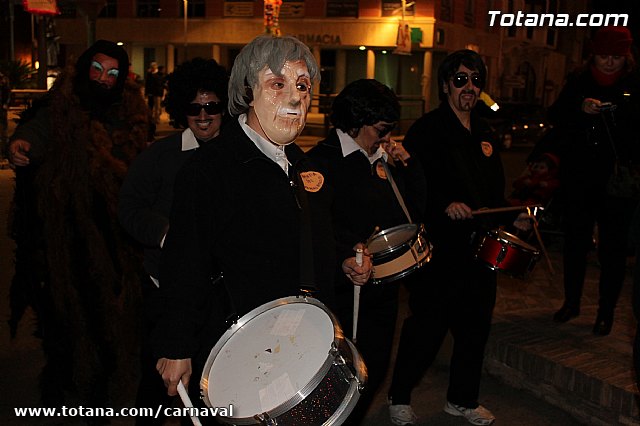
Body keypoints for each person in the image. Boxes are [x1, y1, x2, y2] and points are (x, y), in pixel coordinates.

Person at [151, 34, 371, 414]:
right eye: (277, 84)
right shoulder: (210, 170)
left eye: (302, 86)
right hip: (239, 348)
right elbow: (185, 262)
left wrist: (343, 260)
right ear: (248, 92)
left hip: (301, 341)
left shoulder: (303, 165)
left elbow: (310, 235)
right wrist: (177, 347)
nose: (294, 99)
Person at [386, 49, 531, 426]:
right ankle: (399, 396)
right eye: (461, 79)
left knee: (475, 328)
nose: (469, 87)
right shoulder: (427, 130)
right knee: (427, 327)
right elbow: (410, 187)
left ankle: (462, 399)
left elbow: (493, 193)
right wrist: (443, 205)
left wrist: (514, 214)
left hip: (481, 249)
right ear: (446, 85)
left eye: (476, 80)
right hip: (440, 248)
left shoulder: (484, 132)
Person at [7, 40, 150, 408]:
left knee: (115, 304)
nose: (103, 78)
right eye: (98, 69)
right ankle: (74, 378)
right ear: (86, 68)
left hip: (118, 229)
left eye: (113, 72)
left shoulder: (132, 111)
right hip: (69, 228)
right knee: (69, 306)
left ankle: (108, 372)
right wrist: (22, 144)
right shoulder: (64, 102)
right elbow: (39, 127)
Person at [307, 78, 426, 424]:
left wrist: (409, 166)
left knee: (371, 370)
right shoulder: (322, 161)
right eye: (381, 129)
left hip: (381, 288)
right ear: (357, 123)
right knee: (335, 380)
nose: (387, 137)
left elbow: (413, 213)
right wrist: (345, 253)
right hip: (341, 291)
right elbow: (312, 230)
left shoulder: (380, 161)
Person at [118, 57, 229, 424]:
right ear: (182, 110)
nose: (203, 115)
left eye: (212, 106)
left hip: (219, 298)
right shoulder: (160, 156)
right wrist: (166, 234)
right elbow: (129, 208)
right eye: (194, 108)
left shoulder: (237, 157)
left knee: (210, 388)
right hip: (165, 292)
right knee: (157, 388)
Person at [549, 26, 640, 336]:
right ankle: (571, 302)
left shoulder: (633, 83)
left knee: (613, 249)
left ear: (626, 56)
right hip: (580, 176)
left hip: (617, 181)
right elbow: (556, 118)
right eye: (604, 56)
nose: (610, 63)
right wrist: (581, 109)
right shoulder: (578, 80)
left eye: (616, 57)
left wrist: (618, 114)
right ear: (593, 55)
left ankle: (606, 311)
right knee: (575, 242)